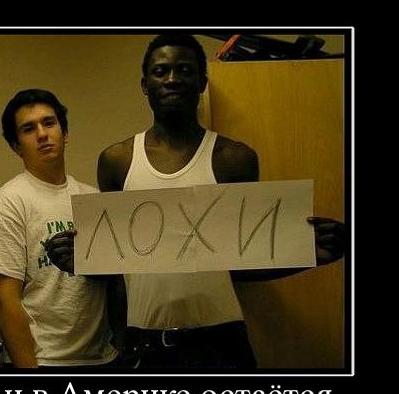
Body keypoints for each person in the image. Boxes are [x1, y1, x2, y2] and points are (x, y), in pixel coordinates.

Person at [46, 34, 345, 370]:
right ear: (145, 85)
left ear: (202, 82)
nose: (172, 79)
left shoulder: (234, 159)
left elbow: (246, 260)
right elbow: (116, 266)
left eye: (184, 70)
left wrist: (306, 251)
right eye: (161, 71)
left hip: (221, 342)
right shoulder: (117, 161)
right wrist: (79, 260)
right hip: (145, 343)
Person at [0, 89, 118, 369]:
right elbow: (4, 300)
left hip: (103, 356)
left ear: (64, 133)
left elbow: (115, 282)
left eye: (49, 123)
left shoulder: (92, 199)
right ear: (16, 146)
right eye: (28, 129)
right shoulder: (7, 204)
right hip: (44, 360)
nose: (42, 134)